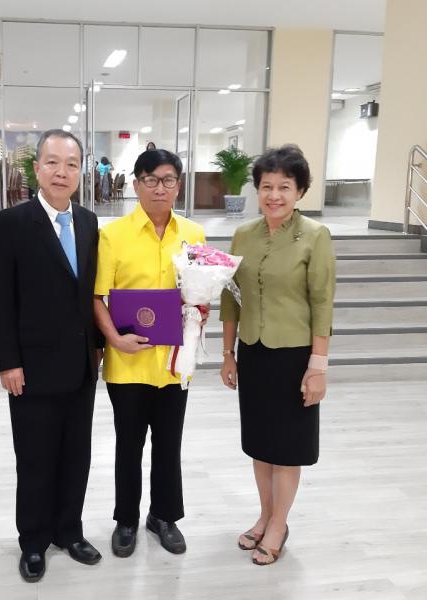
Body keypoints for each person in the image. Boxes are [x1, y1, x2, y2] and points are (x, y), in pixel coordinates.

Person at [0, 129, 103, 583]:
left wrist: (99, 348)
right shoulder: (9, 224)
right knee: (35, 459)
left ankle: (69, 530)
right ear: (36, 168)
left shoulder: (89, 222)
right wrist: (8, 360)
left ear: (81, 172)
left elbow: (90, 292)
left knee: (77, 455)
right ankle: (33, 540)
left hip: (80, 365)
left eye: (71, 164)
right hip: (30, 367)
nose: (61, 172)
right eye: (52, 162)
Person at [219, 144, 336, 566]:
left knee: (287, 448)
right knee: (261, 444)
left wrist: (317, 368)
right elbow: (231, 297)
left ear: (300, 191)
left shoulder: (316, 236)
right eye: (267, 186)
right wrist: (228, 353)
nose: (274, 195)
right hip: (253, 353)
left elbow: (322, 303)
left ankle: (279, 525)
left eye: (285, 187)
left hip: (294, 357)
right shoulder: (243, 235)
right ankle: (265, 515)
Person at [93, 149, 205, 558]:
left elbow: (199, 292)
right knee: (129, 444)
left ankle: (163, 516)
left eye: (169, 180)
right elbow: (97, 296)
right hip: (128, 362)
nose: (160, 188)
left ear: (179, 185)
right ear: (136, 184)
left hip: (175, 362)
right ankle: (126, 519)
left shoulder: (193, 234)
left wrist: (200, 311)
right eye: (151, 180)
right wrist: (113, 338)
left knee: (169, 443)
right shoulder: (113, 235)